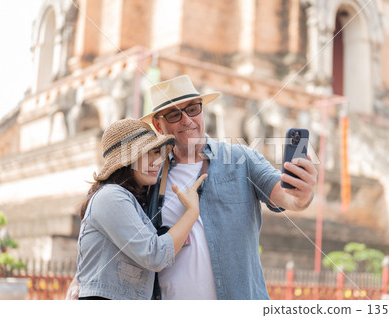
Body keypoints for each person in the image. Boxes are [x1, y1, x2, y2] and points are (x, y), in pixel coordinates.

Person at [141, 75, 318, 300]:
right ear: (158, 125)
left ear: (203, 111)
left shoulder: (241, 158)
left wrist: (302, 195)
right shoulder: (149, 176)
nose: (187, 120)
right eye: (175, 114)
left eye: (193, 109)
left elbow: (286, 197)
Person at [75, 118, 207, 300]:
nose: (157, 161)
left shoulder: (132, 201)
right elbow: (155, 256)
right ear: (125, 161)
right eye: (147, 154)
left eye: (158, 153)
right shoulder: (111, 196)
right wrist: (192, 212)